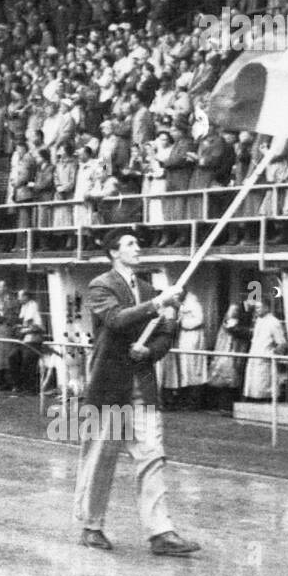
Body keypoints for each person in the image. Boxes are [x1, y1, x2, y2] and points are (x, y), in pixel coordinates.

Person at [73, 227, 200, 557]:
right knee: (101, 458)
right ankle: (92, 526)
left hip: (141, 386)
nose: (137, 247)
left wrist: (152, 351)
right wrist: (158, 302)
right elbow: (115, 320)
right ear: (114, 253)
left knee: (153, 456)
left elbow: (165, 333)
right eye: (130, 243)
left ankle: (161, 533)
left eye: (137, 242)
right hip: (109, 388)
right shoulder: (101, 285)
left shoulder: (147, 288)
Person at [205, 303, 250, 415]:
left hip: (230, 352)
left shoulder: (232, 318)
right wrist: (251, 332)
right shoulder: (232, 318)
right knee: (227, 380)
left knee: (229, 380)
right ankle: (225, 407)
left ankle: (225, 406)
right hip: (228, 353)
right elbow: (233, 329)